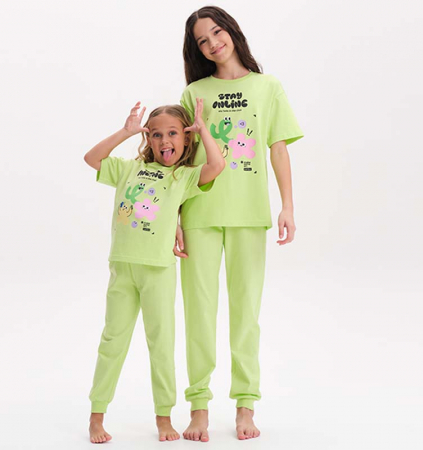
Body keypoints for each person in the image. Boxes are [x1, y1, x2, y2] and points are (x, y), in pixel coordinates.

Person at [174, 6, 304, 441]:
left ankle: (246, 407)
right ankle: (199, 409)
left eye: (217, 32)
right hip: (200, 213)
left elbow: (278, 149)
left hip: (249, 214)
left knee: (246, 314)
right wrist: (175, 216)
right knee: (199, 314)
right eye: (203, 40)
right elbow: (183, 159)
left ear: (232, 31)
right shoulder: (194, 92)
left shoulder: (268, 86)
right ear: (197, 50)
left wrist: (287, 206)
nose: (213, 43)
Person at [84, 99, 225, 443]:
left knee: (161, 346)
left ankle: (164, 417)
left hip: (159, 272)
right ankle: (96, 416)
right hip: (122, 268)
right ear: (148, 138)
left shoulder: (183, 177)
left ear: (186, 139)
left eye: (173, 133)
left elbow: (217, 165)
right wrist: (125, 132)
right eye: (157, 134)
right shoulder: (127, 169)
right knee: (112, 342)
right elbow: (92, 158)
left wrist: (203, 130)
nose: (165, 140)